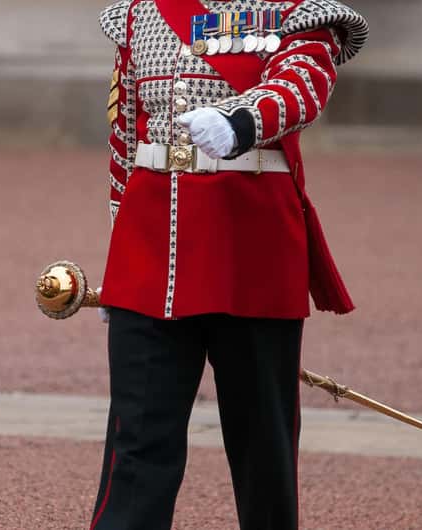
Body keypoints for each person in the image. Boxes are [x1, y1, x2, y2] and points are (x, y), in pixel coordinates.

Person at [90, 0, 368, 528]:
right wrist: (116, 259)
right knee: (136, 445)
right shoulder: (140, 13)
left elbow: (301, 86)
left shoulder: (298, 13)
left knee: (262, 448)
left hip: (250, 252)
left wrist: (240, 119)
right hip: (150, 254)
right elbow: (125, 138)